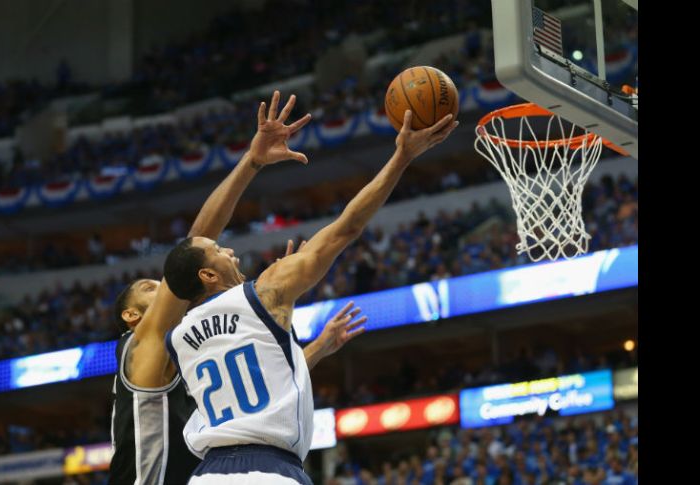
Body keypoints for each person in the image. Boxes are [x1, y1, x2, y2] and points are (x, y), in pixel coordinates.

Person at [164, 109, 458, 484]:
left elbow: (255, 374)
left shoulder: (176, 335)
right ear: (207, 275)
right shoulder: (266, 290)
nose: (231, 252)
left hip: (206, 475)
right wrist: (401, 157)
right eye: (219, 251)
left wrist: (313, 346)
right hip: (271, 471)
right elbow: (345, 229)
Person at [108, 91, 314, 484]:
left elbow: (266, 390)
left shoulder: (188, 350)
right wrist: (251, 162)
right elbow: (193, 246)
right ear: (131, 317)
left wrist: (313, 346)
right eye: (152, 289)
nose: (165, 289)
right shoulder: (142, 345)